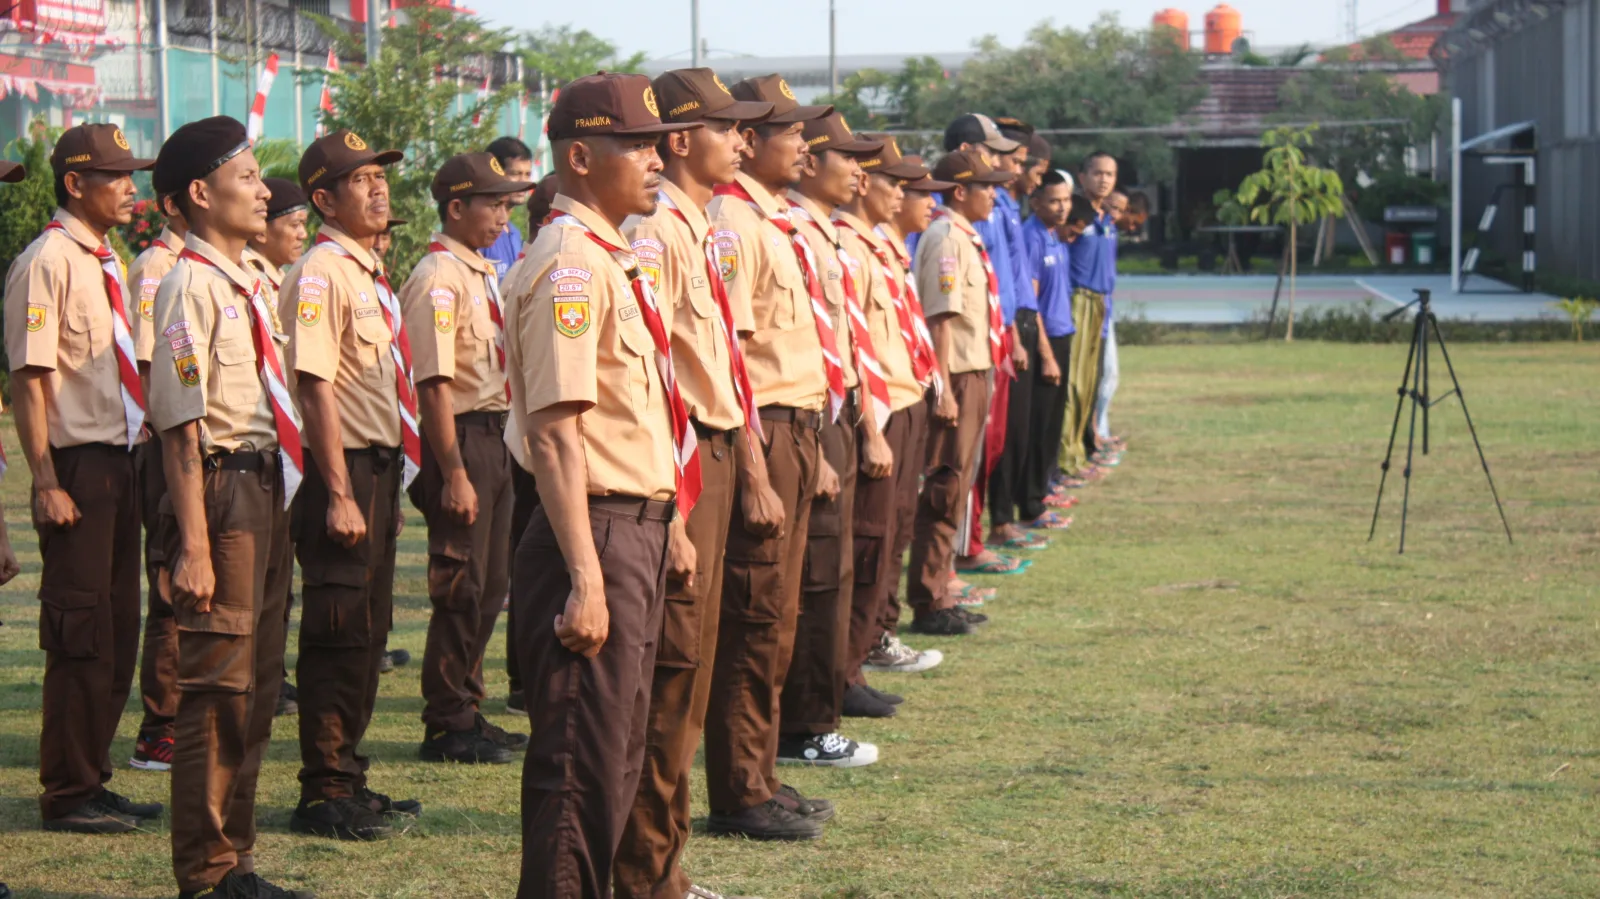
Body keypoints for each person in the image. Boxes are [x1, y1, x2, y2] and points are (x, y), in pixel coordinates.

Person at [500, 71, 699, 899]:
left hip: (631, 526)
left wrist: (670, 522)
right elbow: (555, 433)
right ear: (580, 157)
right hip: (595, 531)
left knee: (615, 753)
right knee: (579, 765)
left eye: (657, 144)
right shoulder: (570, 267)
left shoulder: (610, 258)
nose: (657, 160)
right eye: (637, 146)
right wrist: (586, 576)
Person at [612, 64, 776, 899]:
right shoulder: (655, 233)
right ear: (681, 139)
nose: (742, 141)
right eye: (726, 127)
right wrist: (677, 509)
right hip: (680, 466)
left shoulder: (694, 226)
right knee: (672, 671)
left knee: (693, 668)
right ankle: (645, 871)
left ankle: (665, 862)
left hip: (712, 452)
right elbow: (652, 381)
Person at [145, 115, 310, 899]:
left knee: (256, 683)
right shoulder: (188, 285)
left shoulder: (248, 280)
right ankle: (206, 873)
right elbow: (181, 429)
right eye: (245, 177)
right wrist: (195, 545)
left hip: (265, 484)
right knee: (216, 688)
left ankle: (237, 858)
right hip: (221, 488)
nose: (262, 190)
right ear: (200, 195)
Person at [5, 123, 163, 834]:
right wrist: (46, 480)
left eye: (132, 174)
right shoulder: (47, 261)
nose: (131, 188)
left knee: (117, 629)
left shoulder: (103, 258)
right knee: (79, 631)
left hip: (120, 460)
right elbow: (30, 378)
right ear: (75, 183)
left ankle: (94, 776)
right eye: (116, 175)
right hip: (77, 466)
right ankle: (68, 790)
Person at [699, 73, 839, 842]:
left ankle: (759, 771)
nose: (805, 149)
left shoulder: (770, 220)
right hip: (764, 430)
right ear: (749, 140)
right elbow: (733, 358)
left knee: (778, 614)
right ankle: (739, 788)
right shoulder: (732, 223)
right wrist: (756, 468)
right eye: (792, 134)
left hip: (796, 425)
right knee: (754, 611)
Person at [279, 128, 421, 842]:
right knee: (336, 629)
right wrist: (337, 491)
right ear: (324, 200)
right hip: (342, 469)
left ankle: (349, 775)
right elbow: (315, 386)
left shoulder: (365, 272)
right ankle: (324, 788)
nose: (378, 188)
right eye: (360, 180)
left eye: (380, 176)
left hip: (377, 466)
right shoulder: (321, 272)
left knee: (367, 629)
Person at [400, 152, 533, 766]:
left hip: (494, 434)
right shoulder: (438, 277)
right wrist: (452, 471)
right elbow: (433, 385)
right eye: (494, 204)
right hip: (461, 439)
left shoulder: (476, 272)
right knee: (461, 583)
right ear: (456, 207)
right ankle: (447, 719)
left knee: (490, 584)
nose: (504, 218)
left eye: (507, 205)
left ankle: (468, 707)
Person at [776, 109, 887, 767]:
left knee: (830, 572)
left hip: (833, 413)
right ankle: (802, 725)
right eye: (847, 157)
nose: (859, 173)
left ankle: (815, 714)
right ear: (812, 161)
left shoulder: (817, 232)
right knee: (812, 578)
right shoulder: (785, 230)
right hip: (804, 420)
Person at [830, 135, 945, 711]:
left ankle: (870, 644)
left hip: (903, 398)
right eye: (892, 182)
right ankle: (848, 667)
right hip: (876, 410)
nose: (901, 194)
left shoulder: (878, 246)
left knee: (893, 535)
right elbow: (854, 342)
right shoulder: (846, 245)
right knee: (869, 543)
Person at [905, 149, 1012, 637]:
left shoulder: (966, 237)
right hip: (958, 376)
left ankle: (942, 588)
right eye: (986, 186)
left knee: (959, 485)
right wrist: (943, 388)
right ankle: (930, 598)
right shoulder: (946, 238)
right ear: (961, 191)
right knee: (945, 485)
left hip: (975, 371)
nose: (994, 194)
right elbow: (939, 320)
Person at [863, 157, 967, 659]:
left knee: (899, 526)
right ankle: (870, 637)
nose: (929, 201)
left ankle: (881, 630)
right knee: (877, 532)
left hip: (908, 395)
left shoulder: (891, 249)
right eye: (916, 191)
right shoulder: (860, 247)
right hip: (885, 405)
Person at [942, 113, 1027, 577]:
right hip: (966, 350)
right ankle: (962, 547)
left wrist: (1010, 334)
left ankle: (968, 540)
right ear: (966, 151)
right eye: (991, 151)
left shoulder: (990, 204)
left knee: (988, 447)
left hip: (993, 338)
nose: (1000, 160)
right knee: (963, 455)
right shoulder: (948, 218)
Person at [127, 173, 189, 774]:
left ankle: (186, 714)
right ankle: (159, 727)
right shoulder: (157, 267)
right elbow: (149, 363)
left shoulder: (216, 267)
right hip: (168, 442)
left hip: (203, 447)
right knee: (170, 584)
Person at [243, 175, 308, 720]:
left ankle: (269, 680)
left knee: (276, 586)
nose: (302, 234)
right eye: (295, 224)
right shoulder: (241, 281)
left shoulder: (273, 283)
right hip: (241, 460)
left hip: (279, 454)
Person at [503, 171, 559, 719]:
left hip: (535, 437)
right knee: (536, 560)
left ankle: (527, 674)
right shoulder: (534, 272)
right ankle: (524, 676)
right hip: (532, 442)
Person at [984, 116, 1055, 553]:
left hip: (1018, 322)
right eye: (1016, 160)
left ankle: (1006, 517)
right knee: (1001, 435)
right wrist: (1010, 331)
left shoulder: (1009, 207)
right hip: (1001, 328)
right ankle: (998, 521)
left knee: (1017, 431)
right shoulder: (987, 207)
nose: (1021, 170)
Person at [1020, 172, 1079, 530]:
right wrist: (1045, 354)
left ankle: (1043, 493)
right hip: (1046, 342)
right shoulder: (1032, 237)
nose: (1062, 207)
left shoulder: (1054, 235)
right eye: (1054, 200)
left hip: (1063, 334)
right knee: (1038, 427)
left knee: (1053, 424)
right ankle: (1030, 504)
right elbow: (1031, 300)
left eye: (1066, 200)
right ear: (1036, 202)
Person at [1058, 151, 1118, 480]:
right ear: (1083, 177)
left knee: (1092, 382)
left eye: (1110, 174)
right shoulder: (1076, 217)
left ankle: (1082, 449)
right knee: (1074, 383)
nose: (1104, 179)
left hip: (1101, 304)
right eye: (1098, 173)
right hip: (1078, 301)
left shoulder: (1107, 220)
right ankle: (1066, 456)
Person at [1093, 189, 1131, 459]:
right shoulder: (1090, 227)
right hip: (1091, 308)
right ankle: (1097, 433)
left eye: (1121, 209)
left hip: (1106, 307)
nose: (1116, 213)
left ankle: (1101, 429)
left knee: (1110, 375)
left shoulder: (1110, 229)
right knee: (1103, 374)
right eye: (1112, 206)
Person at [482, 136, 536, 280]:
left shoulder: (514, 233)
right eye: (515, 174)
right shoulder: (481, 233)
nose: (523, 182)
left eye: (527, 174)